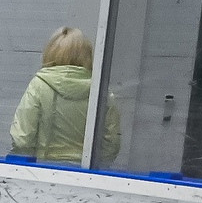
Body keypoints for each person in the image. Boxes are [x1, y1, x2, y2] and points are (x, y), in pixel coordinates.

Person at [7, 26, 119, 167]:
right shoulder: (101, 91)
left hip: (43, 169)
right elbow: (111, 142)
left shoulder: (39, 85)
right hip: (87, 174)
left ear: (51, 52)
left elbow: (22, 138)